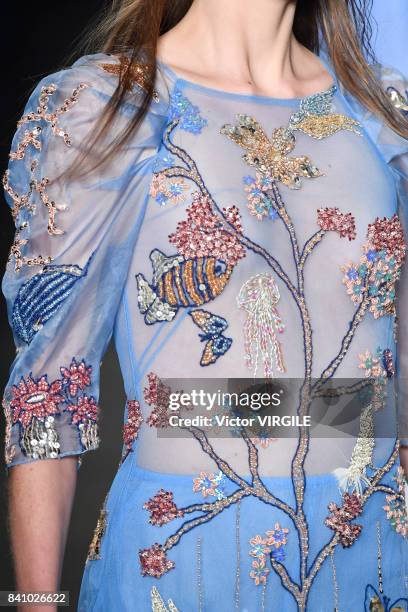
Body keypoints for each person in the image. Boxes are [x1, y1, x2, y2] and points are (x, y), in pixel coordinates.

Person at [3, 1, 408, 610]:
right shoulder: (110, 107)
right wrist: (32, 607)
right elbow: (47, 393)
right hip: (184, 556)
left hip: (376, 546)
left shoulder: (383, 115)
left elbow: (386, 377)